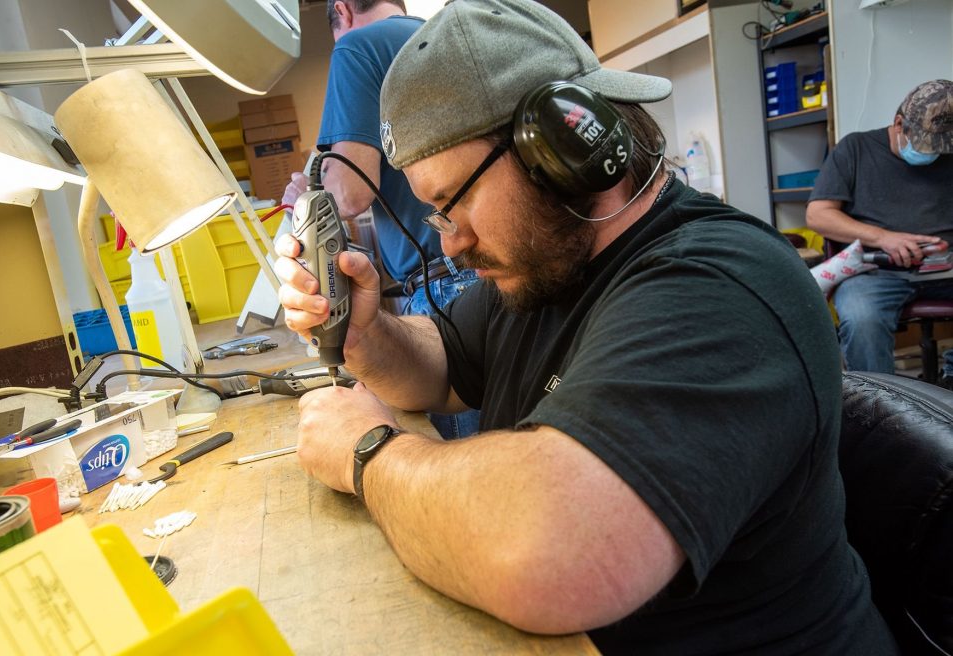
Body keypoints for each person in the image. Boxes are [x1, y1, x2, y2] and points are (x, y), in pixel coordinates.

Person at [275, 0, 898, 652]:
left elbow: (549, 557)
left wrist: (369, 454)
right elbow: (442, 364)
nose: (451, 242)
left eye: (451, 203)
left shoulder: (718, 289)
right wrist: (365, 332)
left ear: (566, 147)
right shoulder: (551, 258)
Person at [281, 0, 479, 438]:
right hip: (487, 279)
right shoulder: (436, 37)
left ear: (342, 10)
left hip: (444, 287)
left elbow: (350, 192)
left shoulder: (357, 47)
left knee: (456, 468)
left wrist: (304, 195)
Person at [806, 79, 953, 380]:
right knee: (862, 319)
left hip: (945, 269)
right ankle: (881, 411)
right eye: (927, 146)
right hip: (876, 272)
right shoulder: (855, 149)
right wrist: (883, 238)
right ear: (899, 123)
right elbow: (818, 215)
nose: (934, 155)